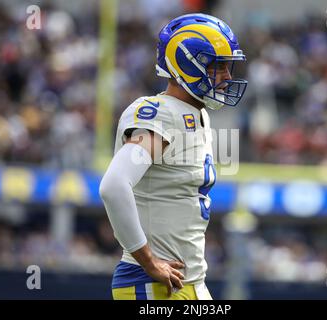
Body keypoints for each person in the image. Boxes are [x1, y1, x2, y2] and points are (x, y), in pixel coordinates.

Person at [99, 13, 248, 300]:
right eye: (218, 67)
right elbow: (114, 186)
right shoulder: (162, 113)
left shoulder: (197, 114)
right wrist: (148, 260)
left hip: (189, 282)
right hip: (152, 284)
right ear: (187, 64)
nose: (227, 76)